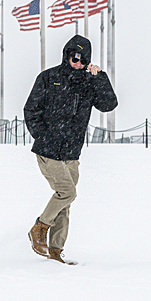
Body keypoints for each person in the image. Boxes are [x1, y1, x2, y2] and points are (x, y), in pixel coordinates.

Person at [23, 35, 117, 264]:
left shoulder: (89, 82)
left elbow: (108, 105)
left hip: (72, 153)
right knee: (67, 193)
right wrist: (44, 136)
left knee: (64, 202)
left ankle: (55, 250)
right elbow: (30, 109)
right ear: (66, 55)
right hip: (48, 150)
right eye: (74, 57)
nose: (77, 61)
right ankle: (39, 227)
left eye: (82, 58)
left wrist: (100, 78)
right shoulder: (49, 77)